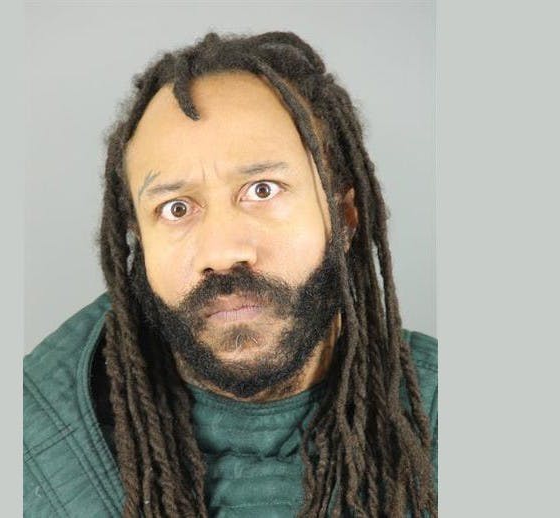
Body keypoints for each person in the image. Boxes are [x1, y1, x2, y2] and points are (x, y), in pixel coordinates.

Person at [24, 31, 437, 518]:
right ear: (140, 241)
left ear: (343, 217)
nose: (221, 253)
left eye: (262, 190)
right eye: (176, 208)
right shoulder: (31, 440)